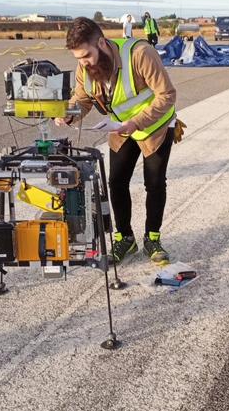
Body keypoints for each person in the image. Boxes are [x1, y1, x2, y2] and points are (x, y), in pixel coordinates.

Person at [57, 17, 181, 264]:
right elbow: (83, 99)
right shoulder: (85, 67)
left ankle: (152, 239)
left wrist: (136, 122)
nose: (83, 64)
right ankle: (126, 238)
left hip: (154, 126)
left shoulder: (141, 54)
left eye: (86, 56)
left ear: (102, 43)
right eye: (78, 59)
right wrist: (70, 114)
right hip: (120, 127)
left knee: (154, 183)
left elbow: (167, 95)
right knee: (116, 183)